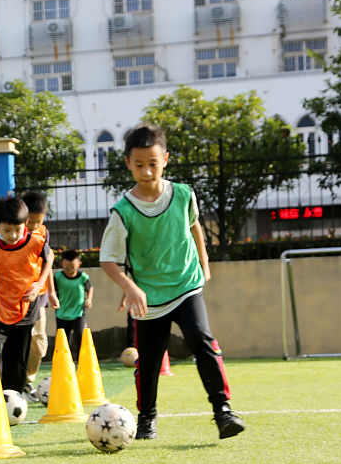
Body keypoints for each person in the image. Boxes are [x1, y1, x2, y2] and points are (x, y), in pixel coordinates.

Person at [99, 124, 244, 441]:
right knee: (149, 362)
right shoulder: (123, 211)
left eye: (153, 163)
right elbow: (108, 259)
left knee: (201, 339)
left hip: (186, 284)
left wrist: (204, 264)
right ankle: (147, 418)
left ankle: (223, 411)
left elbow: (195, 229)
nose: (147, 171)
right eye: (139, 165)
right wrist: (130, 287)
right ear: (128, 164)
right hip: (149, 297)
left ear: (165, 159)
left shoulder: (183, 194)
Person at [0, 196, 54, 394]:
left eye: (17, 230)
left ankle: (13, 395)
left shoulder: (36, 242)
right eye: (7, 230)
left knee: (17, 356)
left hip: (26, 306)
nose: (13, 235)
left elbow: (49, 258)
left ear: (25, 224)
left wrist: (39, 285)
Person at [20, 191, 59, 398]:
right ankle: (17, 383)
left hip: (39, 294)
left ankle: (28, 380)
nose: (34, 226)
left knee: (39, 342)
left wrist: (51, 292)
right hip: (15, 295)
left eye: (38, 221)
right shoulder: (13, 231)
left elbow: (47, 262)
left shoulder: (43, 232)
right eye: (30, 221)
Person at [54, 249, 93, 358]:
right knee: (63, 341)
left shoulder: (83, 277)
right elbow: (52, 291)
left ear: (79, 264)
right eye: (66, 268)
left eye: (72, 268)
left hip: (79, 313)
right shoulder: (58, 277)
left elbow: (90, 288)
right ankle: (63, 362)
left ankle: (82, 361)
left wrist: (89, 299)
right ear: (62, 264)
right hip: (62, 313)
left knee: (81, 337)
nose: (69, 270)